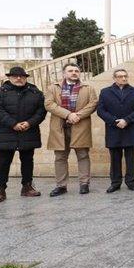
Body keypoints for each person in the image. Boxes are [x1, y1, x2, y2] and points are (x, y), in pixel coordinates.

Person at [0, 66, 47, 203]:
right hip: (5, 132)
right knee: (3, 162)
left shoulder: (35, 92)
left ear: (26, 77)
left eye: (22, 76)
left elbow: (41, 111)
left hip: (28, 131)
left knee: (27, 160)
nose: (19, 78)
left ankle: (27, 187)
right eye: (15, 76)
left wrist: (30, 123)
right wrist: (13, 124)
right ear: (9, 77)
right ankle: (0, 190)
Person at [44, 63, 98, 197]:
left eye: (76, 71)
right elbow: (49, 104)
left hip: (80, 126)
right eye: (70, 71)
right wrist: (68, 115)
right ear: (64, 73)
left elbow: (93, 104)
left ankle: (84, 184)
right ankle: (61, 186)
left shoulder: (88, 88)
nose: (74, 73)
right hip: (60, 127)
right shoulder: (53, 88)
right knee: (60, 157)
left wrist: (77, 116)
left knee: (83, 155)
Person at [97, 68, 134, 193]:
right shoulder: (105, 92)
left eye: (125, 76)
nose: (123, 78)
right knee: (115, 158)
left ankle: (131, 182)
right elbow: (101, 111)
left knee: (130, 158)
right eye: (119, 76)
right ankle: (115, 183)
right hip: (114, 129)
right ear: (114, 78)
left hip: (130, 129)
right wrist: (115, 121)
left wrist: (127, 120)